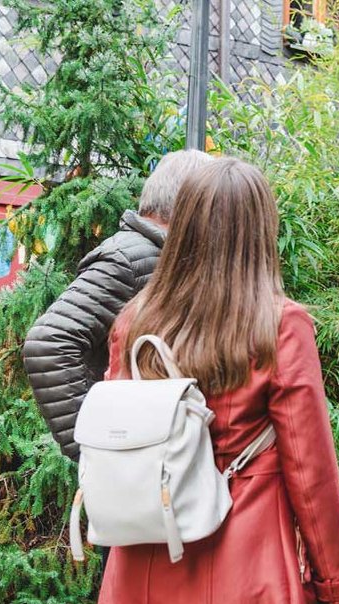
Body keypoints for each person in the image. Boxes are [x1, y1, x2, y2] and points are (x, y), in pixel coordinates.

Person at [90, 158, 339, 604]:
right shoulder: (279, 326)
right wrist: (336, 587)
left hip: (146, 553)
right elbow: (311, 472)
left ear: (184, 226)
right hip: (249, 561)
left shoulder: (135, 320)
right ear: (261, 232)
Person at [23, 149, 214, 460]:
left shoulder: (158, 255)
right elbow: (48, 343)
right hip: (133, 461)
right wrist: (93, 447)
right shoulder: (129, 258)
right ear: (191, 204)